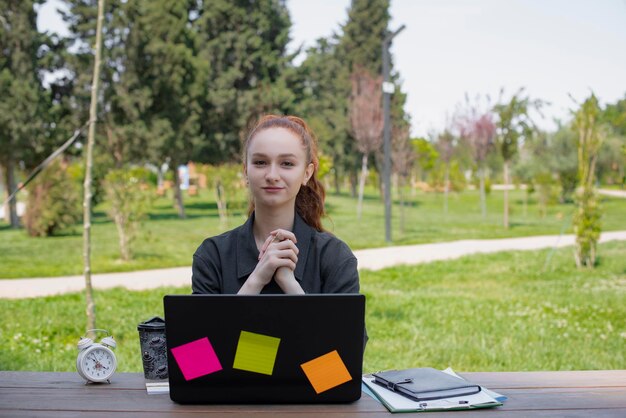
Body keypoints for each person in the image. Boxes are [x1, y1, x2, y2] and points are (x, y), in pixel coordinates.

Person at [191, 114, 361, 296]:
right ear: (245, 171)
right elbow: (206, 326)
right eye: (260, 162)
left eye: (287, 163)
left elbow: (343, 326)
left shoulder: (336, 258)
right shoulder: (212, 256)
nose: (272, 175)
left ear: (307, 173)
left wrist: (290, 284)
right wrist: (256, 279)